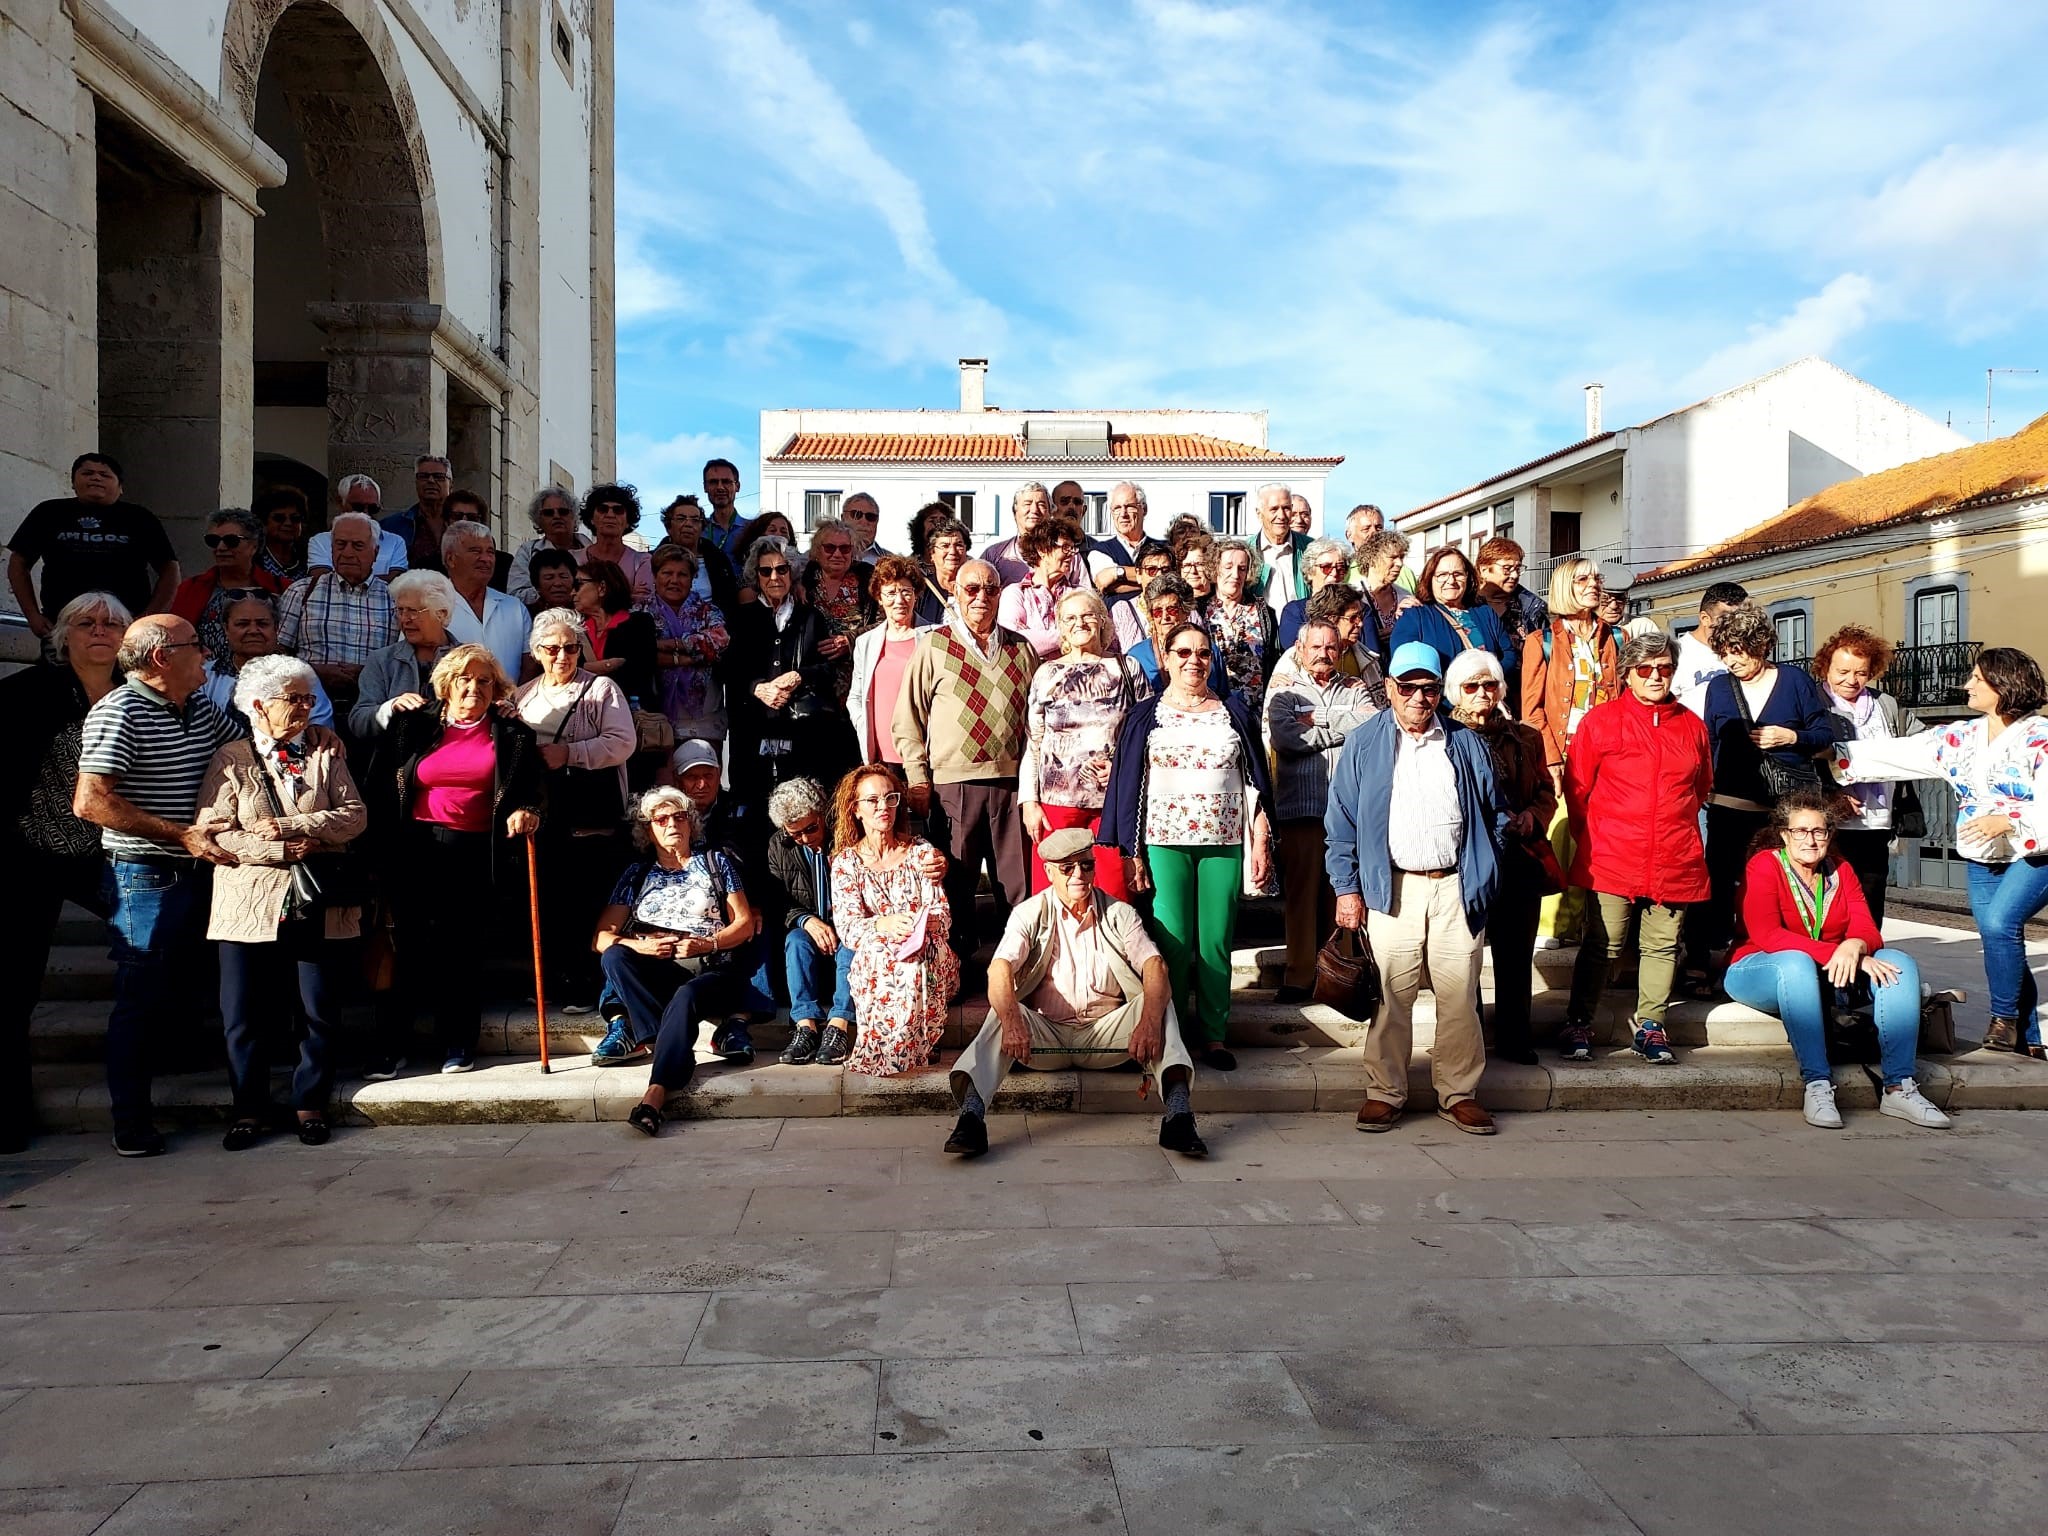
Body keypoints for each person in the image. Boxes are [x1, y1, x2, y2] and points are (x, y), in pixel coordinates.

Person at [74, 615, 248, 1156]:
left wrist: (314, 737)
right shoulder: (119, 712)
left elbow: (245, 750)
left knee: (189, 987)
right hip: (145, 875)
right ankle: (131, 1120)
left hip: (202, 867)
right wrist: (181, 835)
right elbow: (90, 802)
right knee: (140, 995)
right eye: (195, 645)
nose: (206, 655)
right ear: (159, 658)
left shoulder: (196, 704)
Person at [1325, 640, 1506, 1135]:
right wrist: (1347, 888)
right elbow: (1340, 821)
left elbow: (1495, 815)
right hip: (1392, 888)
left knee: (1459, 996)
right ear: (1390, 689)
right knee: (1391, 996)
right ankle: (1385, 1091)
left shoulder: (1465, 743)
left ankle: (1459, 1092)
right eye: (1408, 688)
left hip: (1454, 887)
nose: (1418, 699)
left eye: (1428, 689)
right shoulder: (1365, 743)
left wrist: (1487, 868)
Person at [1830, 647, 2048, 1056]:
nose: (1967, 684)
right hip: (1982, 852)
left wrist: (2010, 820)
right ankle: (2030, 1039)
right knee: (1999, 936)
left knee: (2001, 924)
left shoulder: (2041, 739)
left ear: (2003, 686)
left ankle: (2004, 1021)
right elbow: (1902, 753)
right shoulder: (1962, 737)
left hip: (2035, 853)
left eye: (1977, 679)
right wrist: (1836, 754)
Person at [943, 826, 1204, 1159]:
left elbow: (1155, 966)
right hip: (1044, 1036)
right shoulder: (1030, 912)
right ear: (1050, 872)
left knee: (1157, 1003)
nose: (1079, 874)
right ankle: (971, 1119)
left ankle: (1179, 1117)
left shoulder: (1119, 913)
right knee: (1002, 1010)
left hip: (1105, 1035)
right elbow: (999, 969)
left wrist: (1149, 1023)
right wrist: (1011, 1022)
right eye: (1068, 868)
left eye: (1087, 865)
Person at [197, 654, 366, 1149]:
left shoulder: (324, 753)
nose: (305, 708)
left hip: (315, 896)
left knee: (316, 1006)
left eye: (309, 698)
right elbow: (215, 832)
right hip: (247, 900)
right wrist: (274, 848)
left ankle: (309, 1102)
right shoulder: (230, 756)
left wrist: (298, 828)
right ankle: (248, 1109)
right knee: (242, 1011)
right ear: (259, 705)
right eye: (294, 699)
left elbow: (354, 815)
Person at [1099, 621, 1274, 1071]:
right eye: (1182, 652)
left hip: (1223, 842)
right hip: (1164, 842)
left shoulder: (1233, 711)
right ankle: (1170, 1030)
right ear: (1166, 656)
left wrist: (1260, 841)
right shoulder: (1145, 714)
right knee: (1173, 942)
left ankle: (1214, 1036)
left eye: (1202, 653)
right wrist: (1133, 852)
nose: (1193, 661)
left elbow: (1256, 782)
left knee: (1215, 941)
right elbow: (1128, 786)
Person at [1727, 793, 1950, 1128]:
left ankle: (1898, 1087)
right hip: (1761, 966)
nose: (1811, 839)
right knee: (1796, 963)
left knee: (1897, 962)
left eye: (1820, 831)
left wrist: (1856, 944)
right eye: (1801, 831)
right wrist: (1839, 952)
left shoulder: (1840, 868)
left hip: (1828, 969)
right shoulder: (1764, 865)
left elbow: (1865, 926)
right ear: (1784, 834)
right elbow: (1767, 934)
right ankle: (1817, 1083)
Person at [369, 644, 543, 1073]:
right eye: (465, 679)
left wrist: (528, 810)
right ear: (446, 684)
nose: (474, 688)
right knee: (406, 946)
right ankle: (392, 1046)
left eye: (484, 681)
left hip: (474, 851)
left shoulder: (513, 733)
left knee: (460, 950)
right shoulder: (412, 725)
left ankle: (458, 1044)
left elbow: (531, 789)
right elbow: (379, 785)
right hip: (415, 846)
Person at [0, 591, 130, 1152]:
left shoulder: (142, 694)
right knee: (11, 987)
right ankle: (7, 1115)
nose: (99, 631)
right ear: (63, 635)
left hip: (115, 850)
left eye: (111, 623)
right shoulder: (23, 694)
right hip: (32, 851)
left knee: (163, 950)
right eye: (85, 622)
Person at [1558, 633, 1713, 1064]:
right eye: (1645, 669)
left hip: (1674, 856)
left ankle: (1651, 1026)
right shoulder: (1600, 722)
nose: (1655, 677)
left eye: (1664, 668)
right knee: (1602, 945)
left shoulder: (1692, 725)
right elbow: (1578, 790)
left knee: (1663, 947)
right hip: (1612, 854)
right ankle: (1578, 1021)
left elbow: (1700, 789)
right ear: (1627, 674)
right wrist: (1596, 839)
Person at [892, 559, 1039, 974]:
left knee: (1017, 886)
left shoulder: (1021, 648)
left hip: (1011, 784)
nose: (980, 597)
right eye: (971, 589)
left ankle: (1018, 971)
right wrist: (918, 780)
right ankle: (954, 972)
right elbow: (906, 720)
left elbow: (1036, 720)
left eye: (990, 589)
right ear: (955, 593)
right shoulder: (933, 646)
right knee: (955, 884)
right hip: (951, 787)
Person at [1692, 601, 1837, 982]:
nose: (1730, 661)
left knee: (1777, 882)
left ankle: (1778, 952)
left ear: (1759, 645)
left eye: (1736, 652)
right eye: (1723, 653)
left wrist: (1791, 736)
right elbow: (1710, 740)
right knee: (1720, 880)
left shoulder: (1795, 682)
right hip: (1728, 801)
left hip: (1783, 806)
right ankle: (1712, 959)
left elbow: (1825, 736)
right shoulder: (1720, 687)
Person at [605, 788, 757, 1132]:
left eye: (680, 816)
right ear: (649, 830)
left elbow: (745, 924)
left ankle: (654, 1096)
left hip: (710, 970)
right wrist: (639, 946)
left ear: (692, 824)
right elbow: (601, 937)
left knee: (686, 996)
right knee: (615, 955)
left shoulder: (717, 863)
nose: (672, 824)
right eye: (661, 819)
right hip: (658, 968)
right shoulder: (636, 874)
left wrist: (708, 944)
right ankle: (664, 1043)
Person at [515, 608, 636, 1011]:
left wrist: (569, 753)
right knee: (550, 898)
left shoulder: (601, 689)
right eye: (552, 649)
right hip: (544, 812)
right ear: (537, 651)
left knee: (588, 896)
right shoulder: (524, 694)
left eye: (571, 648)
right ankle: (549, 979)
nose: (563, 656)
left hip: (590, 809)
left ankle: (587, 984)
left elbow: (622, 742)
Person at [1443, 648, 1552, 1064]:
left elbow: (1545, 789)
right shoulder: (1445, 738)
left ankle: (1514, 1036)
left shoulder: (1526, 737)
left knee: (1515, 954)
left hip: (1518, 855)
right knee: (1464, 955)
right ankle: (1467, 1038)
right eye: (1471, 687)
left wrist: (1532, 816)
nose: (1482, 694)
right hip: (1467, 858)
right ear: (1456, 693)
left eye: (1489, 685)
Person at [1265, 614, 1379, 1003]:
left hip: (1347, 813)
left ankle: (1339, 974)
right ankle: (1299, 976)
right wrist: (1336, 728)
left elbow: (1371, 726)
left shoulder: (1357, 687)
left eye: (1331, 646)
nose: (1324, 654)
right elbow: (1285, 737)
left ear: (1341, 649)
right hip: (1301, 808)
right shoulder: (1284, 691)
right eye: (1315, 647)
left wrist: (1317, 719)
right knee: (1301, 895)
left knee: (1343, 893)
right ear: (1300, 650)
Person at [829, 763, 958, 1074]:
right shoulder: (846, 863)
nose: (882, 807)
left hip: (927, 948)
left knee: (916, 959)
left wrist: (919, 924)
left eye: (890, 798)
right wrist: (882, 925)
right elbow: (848, 928)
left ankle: (911, 1045)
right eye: (872, 801)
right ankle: (894, 1046)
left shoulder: (921, 853)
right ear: (856, 809)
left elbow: (943, 914)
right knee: (878, 955)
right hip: (879, 951)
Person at [723, 536, 861, 824]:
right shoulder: (741, 618)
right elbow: (728, 669)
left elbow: (827, 668)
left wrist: (800, 676)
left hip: (801, 734)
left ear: (792, 572)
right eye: (766, 571)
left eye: (782, 569)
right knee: (755, 815)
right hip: (752, 734)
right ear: (756, 576)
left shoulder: (810, 617)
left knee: (802, 814)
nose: (774, 577)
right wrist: (757, 688)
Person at [1019, 589, 1145, 901]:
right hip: (1057, 804)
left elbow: (1144, 736)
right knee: (1059, 893)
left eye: (1088, 615)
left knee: (1114, 891)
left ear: (1103, 621)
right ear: (1060, 626)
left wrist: (1120, 767)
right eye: (1071, 618)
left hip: (1114, 803)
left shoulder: (1127, 668)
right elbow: (1034, 743)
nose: (1080, 623)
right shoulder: (1046, 673)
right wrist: (1029, 802)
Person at [1522, 556, 1619, 949]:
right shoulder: (1541, 641)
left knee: (1595, 838)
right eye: (1583, 578)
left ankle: (1581, 921)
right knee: (1560, 835)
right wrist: (1551, 759)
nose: (1593, 584)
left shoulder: (1616, 637)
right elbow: (1532, 710)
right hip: (1562, 753)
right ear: (1565, 586)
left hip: (1607, 757)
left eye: (1596, 578)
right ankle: (1553, 924)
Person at [8, 452, 177, 634]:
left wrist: (147, 618)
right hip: (62, 626)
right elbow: (18, 564)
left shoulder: (140, 518)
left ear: (120, 487)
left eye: (105, 475)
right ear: (73, 482)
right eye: (87, 473)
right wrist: (32, 615)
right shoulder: (49, 513)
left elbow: (170, 570)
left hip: (125, 627)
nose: (96, 478)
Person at [1811, 625, 1904, 927]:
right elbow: (1802, 758)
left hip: (1877, 820)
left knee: (1871, 898)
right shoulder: (1813, 704)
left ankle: (1866, 963)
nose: (1852, 680)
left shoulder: (1885, 704)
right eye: (1842, 671)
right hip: (1831, 821)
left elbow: (1914, 744)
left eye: (1861, 673)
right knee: (1828, 896)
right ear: (1825, 667)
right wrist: (1830, 792)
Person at [762, 778, 856, 1066]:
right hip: (810, 926)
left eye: (811, 829)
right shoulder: (779, 845)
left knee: (852, 945)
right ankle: (805, 1026)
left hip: (851, 922)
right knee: (795, 942)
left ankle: (839, 1025)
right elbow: (776, 899)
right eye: (795, 835)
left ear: (821, 813)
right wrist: (806, 920)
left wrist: (846, 922)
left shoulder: (847, 834)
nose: (804, 838)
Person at [276, 511, 397, 711]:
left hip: (371, 709)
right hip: (309, 708)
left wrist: (368, 673)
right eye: (341, 544)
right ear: (332, 549)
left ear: (375, 552)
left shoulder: (394, 598)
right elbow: (277, 654)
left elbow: (401, 660)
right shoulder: (302, 591)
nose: (348, 553)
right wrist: (313, 671)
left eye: (357, 545)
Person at [198, 592, 336, 731]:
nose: (253, 630)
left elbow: (319, 726)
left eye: (262, 624)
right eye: (242, 624)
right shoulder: (206, 675)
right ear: (226, 629)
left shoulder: (300, 675)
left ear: (276, 628)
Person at [351, 569, 459, 741]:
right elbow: (358, 721)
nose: (404, 619)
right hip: (399, 762)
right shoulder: (382, 661)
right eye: (400, 610)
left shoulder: (468, 660)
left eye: (413, 611)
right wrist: (391, 707)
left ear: (442, 613)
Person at [848, 555, 933, 765]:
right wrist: (862, 723)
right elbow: (856, 696)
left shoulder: (934, 637)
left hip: (924, 754)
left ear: (916, 595)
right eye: (891, 593)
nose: (899, 600)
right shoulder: (865, 642)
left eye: (906, 592)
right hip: (881, 755)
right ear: (879, 597)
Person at [645, 543, 729, 747]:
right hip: (656, 720)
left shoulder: (708, 611)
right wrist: (691, 656)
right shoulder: (641, 613)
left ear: (692, 580)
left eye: (682, 574)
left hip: (705, 719)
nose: (674, 580)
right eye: (667, 573)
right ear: (655, 577)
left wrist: (668, 645)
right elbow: (642, 654)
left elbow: (719, 642)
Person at [173, 506, 284, 654]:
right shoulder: (190, 589)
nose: (220, 547)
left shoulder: (282, 588)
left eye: (231, 541)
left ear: (254, 546)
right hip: (203, 674)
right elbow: (176, 638)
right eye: (213, 541)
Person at [1391, 546, 1511, 672]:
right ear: (1430, 578)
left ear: (1468, 577)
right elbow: (1403, 661)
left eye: (1457, 574)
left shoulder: (1485, 612)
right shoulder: (1415, 615)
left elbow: (1508, 653)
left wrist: (1491, 676)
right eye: (1442, 575)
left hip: (1484, 689)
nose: (1451, 581)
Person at [442, 520, 533, 682]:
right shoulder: (429, 606)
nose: (486, 559)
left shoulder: (514, 608)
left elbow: (530, 665)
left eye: (490, 552)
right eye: (475, 551)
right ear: (450, 559)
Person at [801, 516, 874, 702]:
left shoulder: (868, 581)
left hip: (857, 682)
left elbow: (885, 623)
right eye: (830, 548)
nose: (837, 554)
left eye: (845, 548)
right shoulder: (804, 581)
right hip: (811, 684)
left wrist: (850, 640)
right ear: (817, 551)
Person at [1204, 537, 1279, 714]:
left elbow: (1273, 656)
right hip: (1212, 706)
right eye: (1228, 567)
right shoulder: (1199, 610)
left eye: (1242, 568)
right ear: (1215, 569)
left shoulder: (1264, 612)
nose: (1236, 575)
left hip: (1254, 708)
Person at [997, 513, 1087, 659]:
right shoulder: (1016, 594)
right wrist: (1070, 635)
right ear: (1042, 550)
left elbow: (1092, 637)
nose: (1072, 554)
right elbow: (1014, 644)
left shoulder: (1079, 595)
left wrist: (1038, 636)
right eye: (1065, 547)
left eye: (1073, 548)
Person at [572, 558, 658, 705]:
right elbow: (566, 670)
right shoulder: (575, 628)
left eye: (578, 585)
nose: (572, 592)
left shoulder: (639, 623)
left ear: (602, 588)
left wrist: (584, 668)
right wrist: (608, 665)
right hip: (587, 713)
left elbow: (637, 672)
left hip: (629, 714)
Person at [1475, 537, 1547, 707]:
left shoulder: (1532, 608)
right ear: (1484, 569)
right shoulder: (1467, 607)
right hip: (1478, 694)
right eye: (1507, 569)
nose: (1514, 575)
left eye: (1518, 569)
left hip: (1523, 696)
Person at [1128, 574, 1226, 695]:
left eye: (1172, 610)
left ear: (1186, 612)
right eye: (1158, 611)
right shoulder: (1137, 656)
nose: (1165, 617)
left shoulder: (1207, 651)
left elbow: (1224, 695)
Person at [307, 474, 408, 578]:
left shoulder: (395, 542)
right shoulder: (320, 542)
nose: (365, 513)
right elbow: (322, 581)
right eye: (358, 507)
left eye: (373, 508)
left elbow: (396, 583)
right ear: (340, 503)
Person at [1672, 581, 1749, 715]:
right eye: (1725, 618)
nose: (1733, 624)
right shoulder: (1677, 653)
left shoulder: (1746, 651)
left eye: (1739, 618)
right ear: (1705, 618)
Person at [507, 486, 590, 609]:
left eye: (563, 511)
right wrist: (547, 592)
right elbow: (515, 594)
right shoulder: (528, 551)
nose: (556, 516)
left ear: (574, 516)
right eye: (548, 513)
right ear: (539, 520)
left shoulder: (591, 550)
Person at [659, 495, 741, 614]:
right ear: (669, 527)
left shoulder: (719, 562)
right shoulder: (652, 561)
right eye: (681, 519)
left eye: (695, 520)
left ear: (702, 528)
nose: (688, 524)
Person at [574, 483, 653, 605]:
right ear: (591, 519)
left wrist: (590, 596)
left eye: (618, 510)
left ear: (628, 521)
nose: (610, 515)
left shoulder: (642, 561)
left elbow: (643, 602)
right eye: (602, 509)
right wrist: (628, 594)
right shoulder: (573, 559)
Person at [380, 455, 454, 574]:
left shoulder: (461, 524)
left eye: (438, 477)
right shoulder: (392, 526)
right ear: (416, 482)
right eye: (423, 476)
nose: (431, 481)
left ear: (450, 484)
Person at [1248, 483, 1312, 621]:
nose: (1281, 516)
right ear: (1259, 514)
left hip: (1302, 633)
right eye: (1274, 509)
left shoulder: (1310, 548)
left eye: (1286, 508)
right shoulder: (1245, 551)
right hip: (1260, 635)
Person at [1276, 538, 1355, 648]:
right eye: (1326, 567)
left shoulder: (1359, 609)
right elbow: (1295, 651)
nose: (1335, 573)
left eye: (1341, 567)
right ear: (1309, 572)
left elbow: (1372, 653)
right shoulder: (1295, 612)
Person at [1353, 530, 1412, 667]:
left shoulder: (1406, 597)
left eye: (1401, 557)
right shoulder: (1353, 596)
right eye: (1392, 557)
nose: (1399, 563)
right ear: (1372, 558)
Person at [979, 480, 1053, 585]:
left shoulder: (1066, 554)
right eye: (1027, 504)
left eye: (1041, 504)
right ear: (1015, 512)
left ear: (1050, 513)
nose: (1034, 510)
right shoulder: (994, 555)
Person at [1111, 539, 1177, 652]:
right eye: (1151, 570)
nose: (1159, 576)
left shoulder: (1186, 609)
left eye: (1165, 570)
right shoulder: (1121, 611)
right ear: (1138, 574)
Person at [1089, 481, 1151, 597]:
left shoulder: (1163, 548)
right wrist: (1153, 580)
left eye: (1130, 507)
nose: (1123, 514)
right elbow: (1105, 585)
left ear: (1144, 509)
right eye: (1117, 508)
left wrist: (1115, 572)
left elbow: (1175, 581)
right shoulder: (1099, 550)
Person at [912, 514, 971, 627]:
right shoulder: (920, 592)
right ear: (932, 554)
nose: (952, 551)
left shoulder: (977, 589)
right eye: (945, 546)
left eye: (958, 545)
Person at [730, 511, 797, 601]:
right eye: (772, 530)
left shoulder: (798, 567)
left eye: (784, 531)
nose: (778, 534)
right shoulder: (746, 582)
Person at [252, 486, 311, 585]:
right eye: (279, 518)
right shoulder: (252, 559)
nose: (288, 523)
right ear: (264, 521)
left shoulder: (310, 557)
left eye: (295, 518)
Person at [701, 457, 750, 556]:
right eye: (713, 482)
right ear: (705, 487)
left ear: (737, 486)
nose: (720, 487)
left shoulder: (752, 530)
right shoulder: (698, 531)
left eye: (726, 482)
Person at [528, 546, 579, 615]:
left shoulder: (585, 612)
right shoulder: (526, 615)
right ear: (537, 584)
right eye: (549, 578)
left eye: (564, 577)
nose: (558, 583)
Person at [1178, 531, 1217, 610]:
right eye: (1187, 565)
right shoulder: (1176, 605)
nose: (1193, 571)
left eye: (1199, 564)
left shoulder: (1223, 602)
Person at [841, 491, 887, 559]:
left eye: (870, 516)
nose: (864, 521)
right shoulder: (826, 557)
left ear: (877, 521)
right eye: (856, 514)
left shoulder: (892, 562)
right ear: (843, 518)